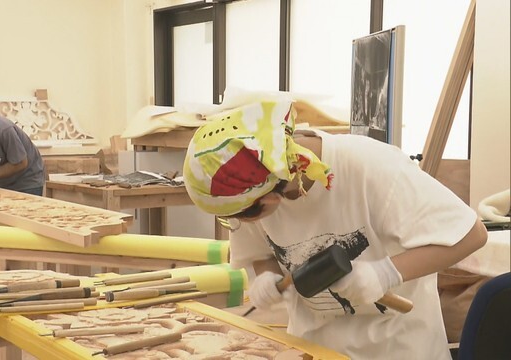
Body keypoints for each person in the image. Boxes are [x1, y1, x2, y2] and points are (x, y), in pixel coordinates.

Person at [183, 100, 487, 359]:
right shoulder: (252, 189)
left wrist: (385, 273)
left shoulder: (371, 167)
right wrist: (265, 276)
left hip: (398, 348)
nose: (241, 225)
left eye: (242, 217)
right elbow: (262, 252)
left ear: (272, 195)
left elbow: (471, 234)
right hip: (316, 349)